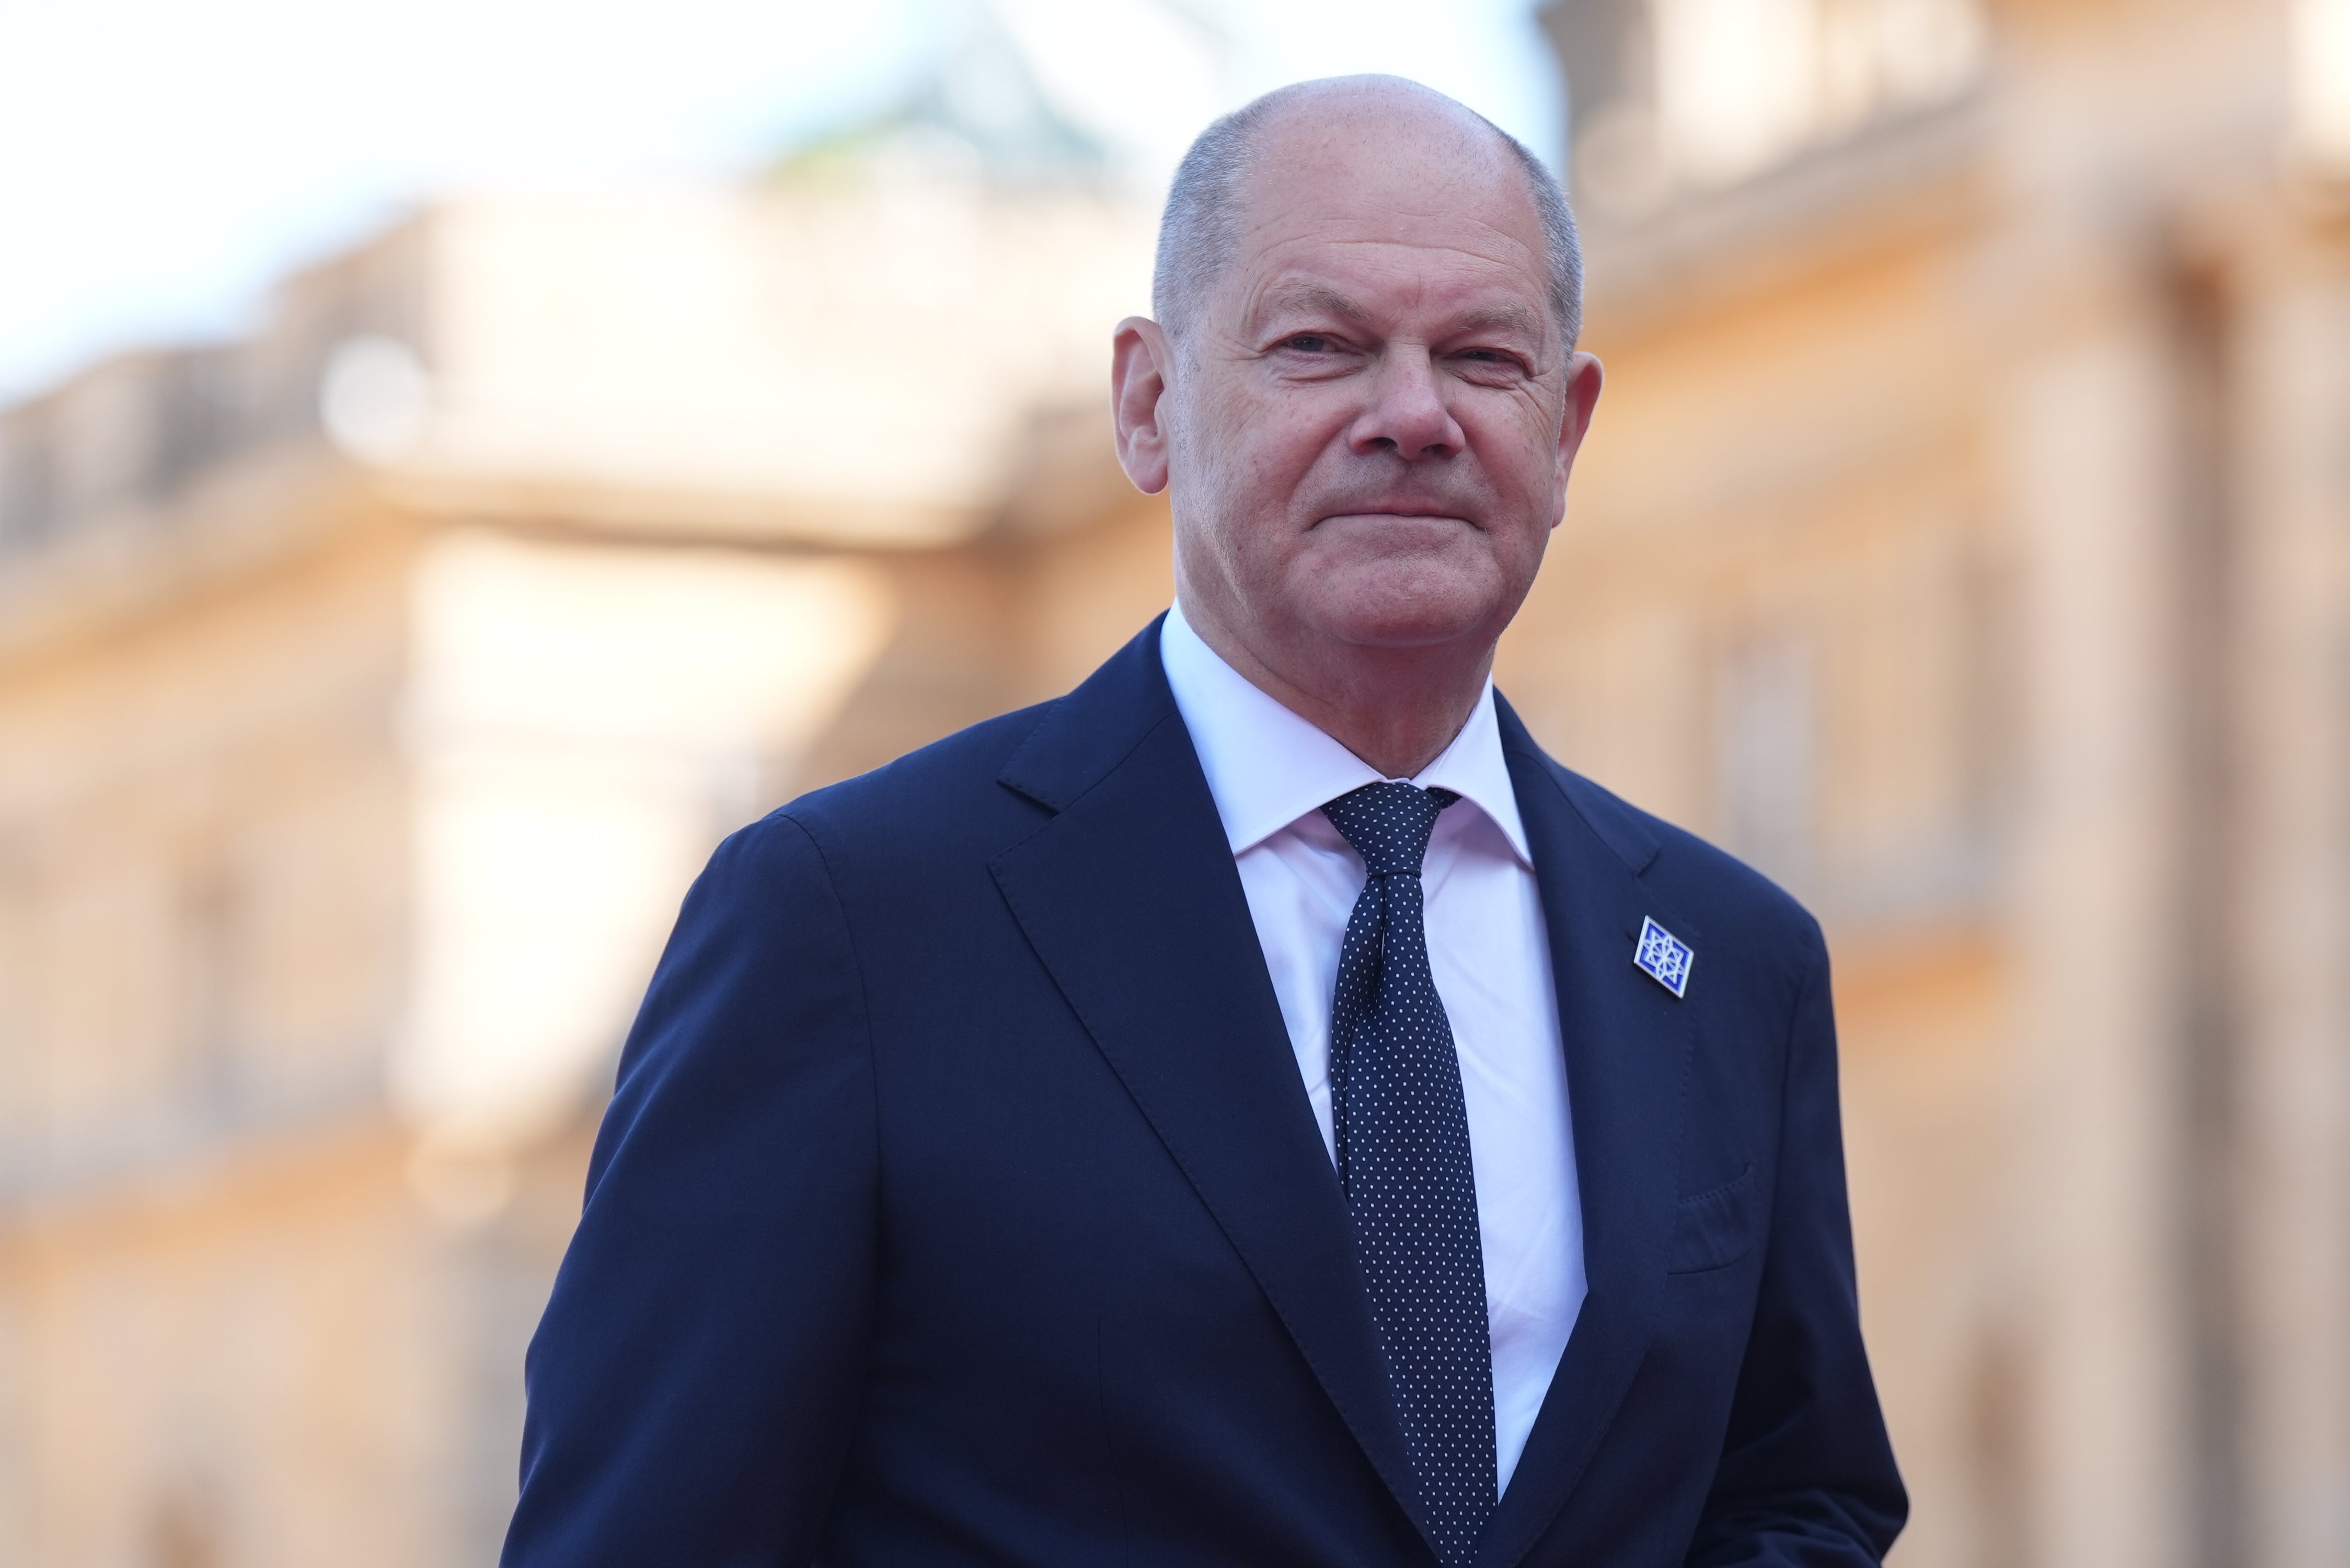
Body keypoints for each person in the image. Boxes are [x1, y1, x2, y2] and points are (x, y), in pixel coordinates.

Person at [502, 76, 1905, 1568]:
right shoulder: (853, 922)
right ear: (1148, 402)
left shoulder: (1725, 961)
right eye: (1323, 347)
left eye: (1481, 358)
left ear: (1564, 430)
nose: (1413, 415)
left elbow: (1793, 1497)